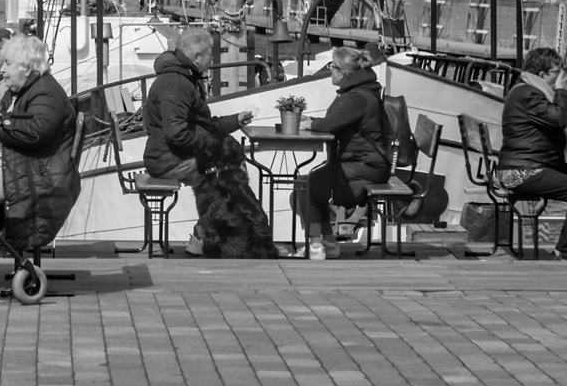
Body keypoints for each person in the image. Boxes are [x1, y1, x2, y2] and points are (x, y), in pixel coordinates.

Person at [141, 25, 277, 258]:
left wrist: (235, 120)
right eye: (209, 56)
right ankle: (205, 237)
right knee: (224, 174)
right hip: (169, 159)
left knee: (230, 170)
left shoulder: (184, 78)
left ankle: (217, 235)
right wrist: (214, 149)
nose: (211, 61)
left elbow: (202, 127)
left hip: (173, 154)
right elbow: (178, 135)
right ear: (196, 57)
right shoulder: (177, 84)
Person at [0, 33, 79, 295]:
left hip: (40, 177)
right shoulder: (26, 90)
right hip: (26, 169)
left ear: (28, 68)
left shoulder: (46, 93)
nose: (2, 69)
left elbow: (35, 132)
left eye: (8, 64)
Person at [495, 47, 567, 261]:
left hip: (522, 167)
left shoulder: (526, 90)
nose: (561, 77)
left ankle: (566, 248)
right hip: (521, 172)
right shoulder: (528, 94)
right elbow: (557, 119)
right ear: (542, 74)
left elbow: (551, 118)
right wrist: (562, 91)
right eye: (556, 72)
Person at [299, 46, 390, 260]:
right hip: (365, 163)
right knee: (313, 184)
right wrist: (313, 123)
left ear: (342, 72)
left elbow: (329, 125)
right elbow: (332, 122)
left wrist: (310, 124)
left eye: (332, 66)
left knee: (308, 185)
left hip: (366, 167)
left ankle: (316, 246)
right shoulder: (358, 92)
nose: (329, 70)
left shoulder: (356, 98)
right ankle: (328, 244)